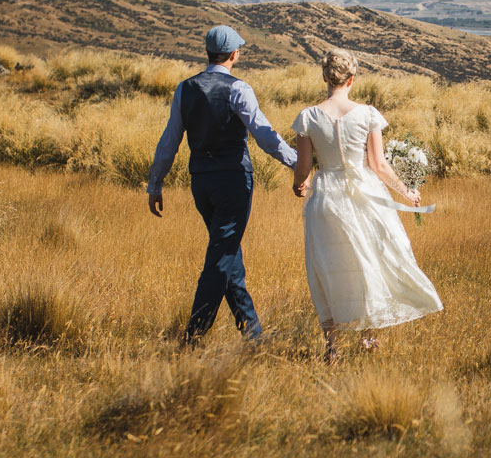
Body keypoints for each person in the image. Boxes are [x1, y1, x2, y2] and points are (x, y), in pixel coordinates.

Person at [146, 24, 298, 344]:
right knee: (221, 255)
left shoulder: (184, 89)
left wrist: (155, 183)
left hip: (201, 182)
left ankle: (253, 333)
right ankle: (194, 333)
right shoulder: (238, 88)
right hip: (233, 181)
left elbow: (169, 142)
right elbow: (265, 136)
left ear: (208, 52)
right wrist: (299, 164)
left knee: (226, 252)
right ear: (234, 54)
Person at [289, 48, 443, 362]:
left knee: (329, 267)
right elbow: (379, 166)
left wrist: (299, 184)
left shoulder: (308, 117)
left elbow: (304, 168)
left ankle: (332, 347)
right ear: (353, 79)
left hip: (326, 198)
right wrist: (407, 194)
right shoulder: (367, 114)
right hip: (364, 195)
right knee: (368, 261)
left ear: (324, 78)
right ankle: (367, 338)